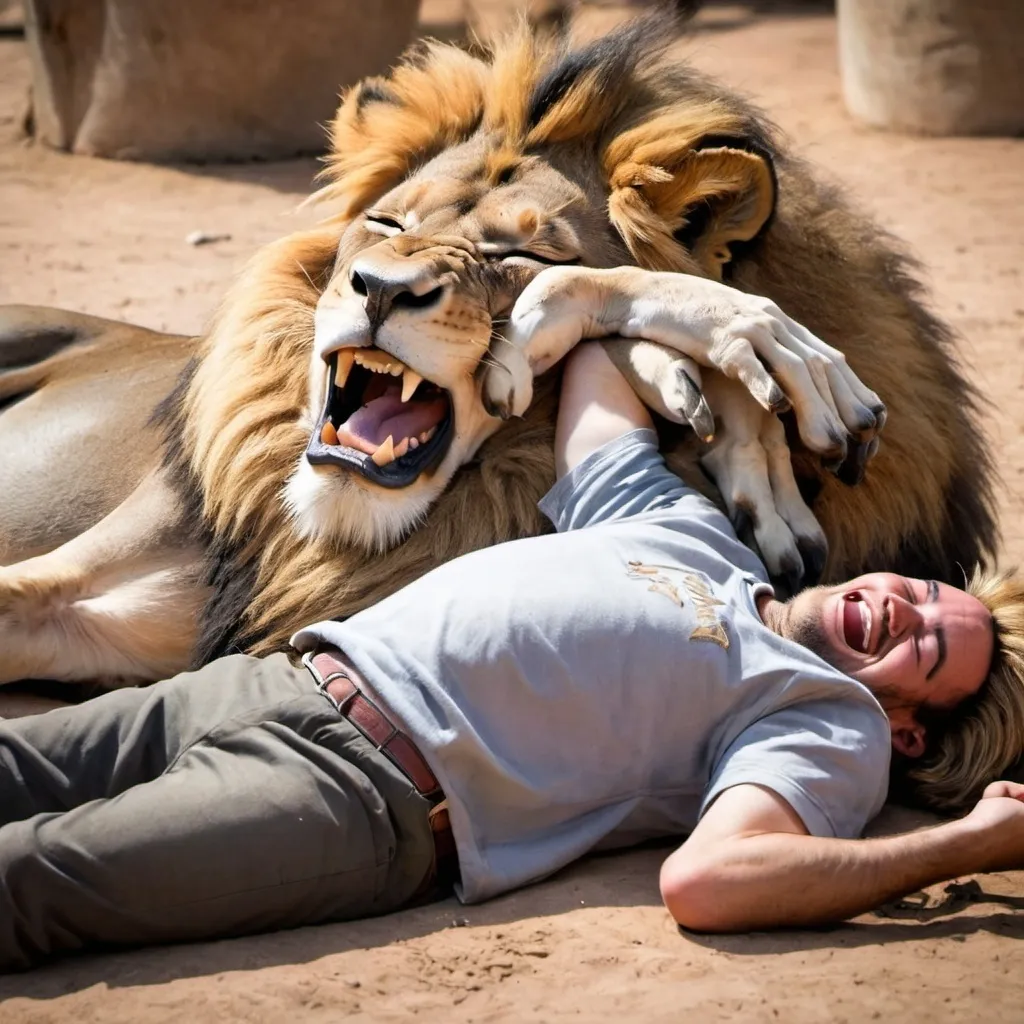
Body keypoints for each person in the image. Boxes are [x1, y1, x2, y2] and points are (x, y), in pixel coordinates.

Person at [0, 340, 1022, 971]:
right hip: (270, 677)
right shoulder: (698, 536)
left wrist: (960, 848)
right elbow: (599, 369)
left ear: (901, 722)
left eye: (927, 647)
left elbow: (714, 881)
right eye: (927, 593)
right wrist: (686, 322)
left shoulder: (820, 717)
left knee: (34, 880)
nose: (904, 607)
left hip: (358, 796)